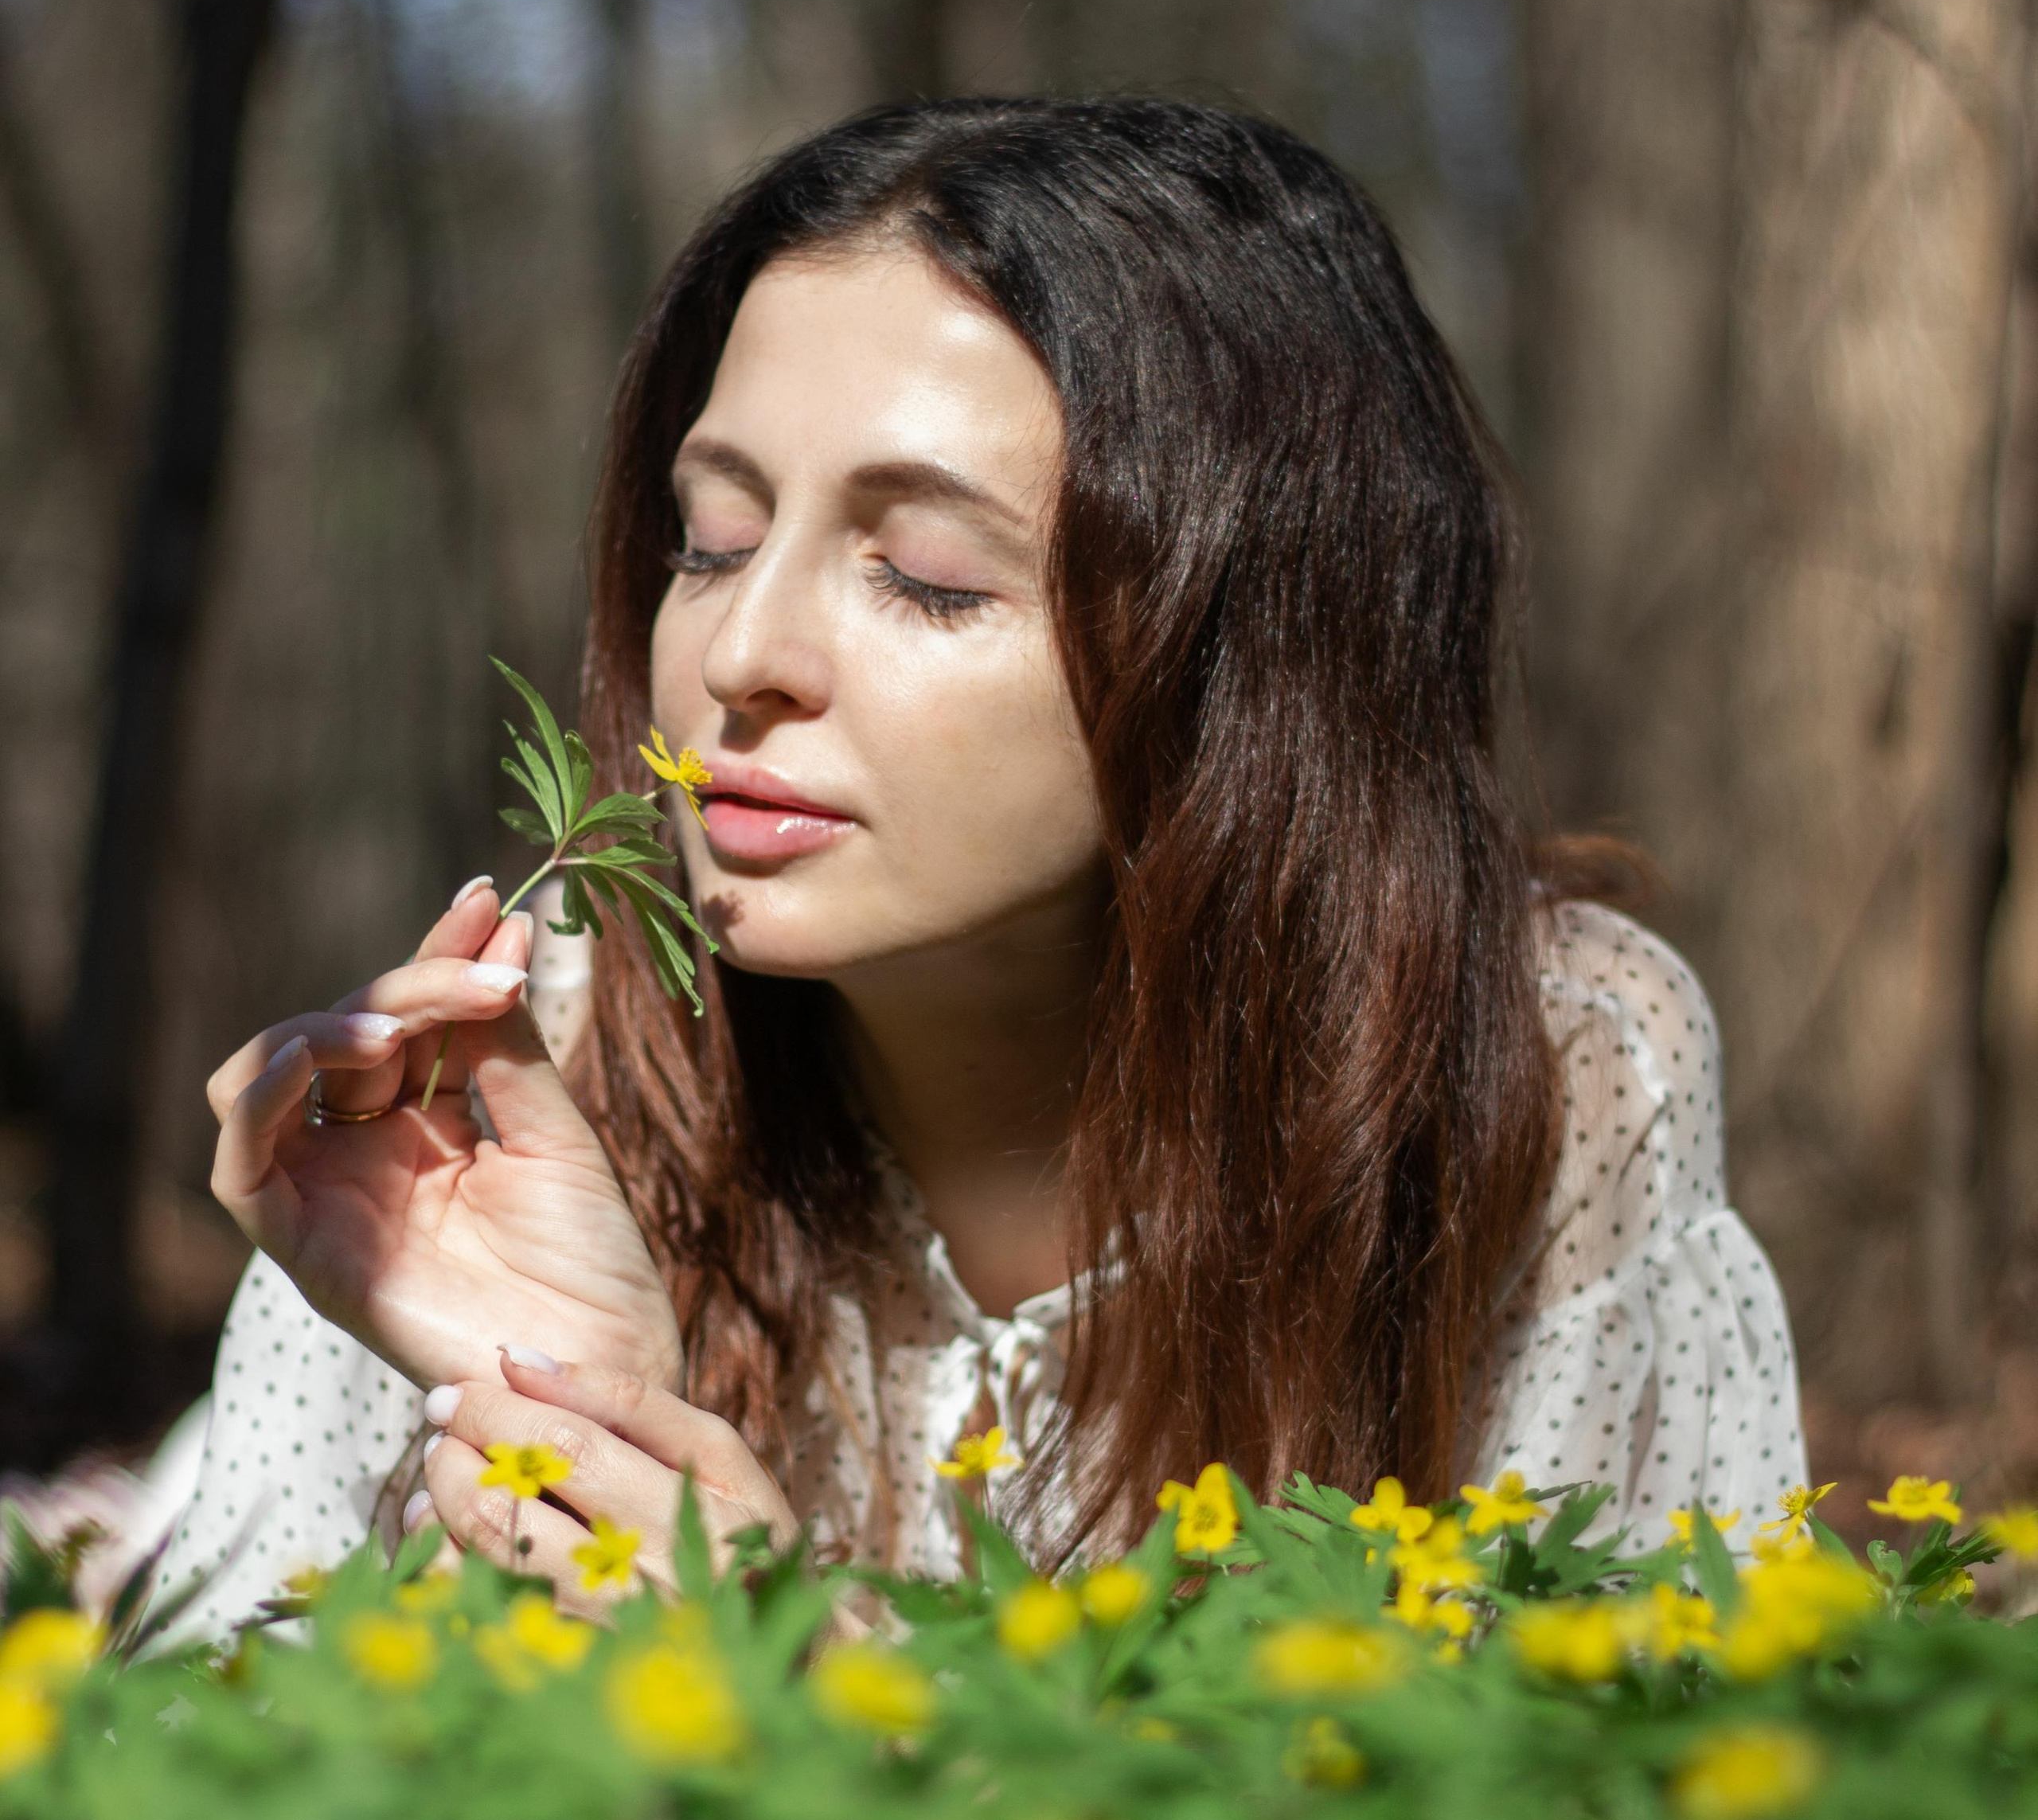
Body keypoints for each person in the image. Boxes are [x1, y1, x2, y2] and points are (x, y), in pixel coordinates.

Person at [153, 98, 1806, 1640]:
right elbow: (186, 1795)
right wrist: (550, 1403)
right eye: (713, 540)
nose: (744, 650)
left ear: (1253, 655)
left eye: (930, 578)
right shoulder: (524, 1072)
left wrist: (783, 1678)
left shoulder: (1536, 1064)